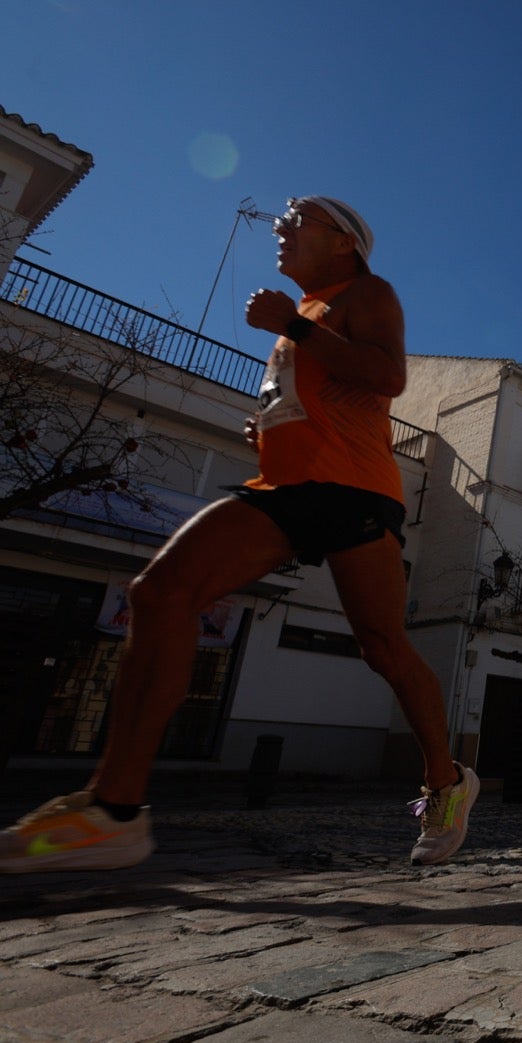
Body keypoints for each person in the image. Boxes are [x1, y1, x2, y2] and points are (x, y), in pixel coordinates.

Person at [0, 196, 478, 873]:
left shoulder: (365, 292)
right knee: (160, 593)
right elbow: (316, 398)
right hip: (282, 491)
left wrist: (296, 328)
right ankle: (116, 811)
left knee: (382, 647)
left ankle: (446, 780)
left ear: (341, 241)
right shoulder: (298, 322)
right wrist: (271, 427)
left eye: (294, 221)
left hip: (352, 491)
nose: (279, 230)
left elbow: (388, 376)